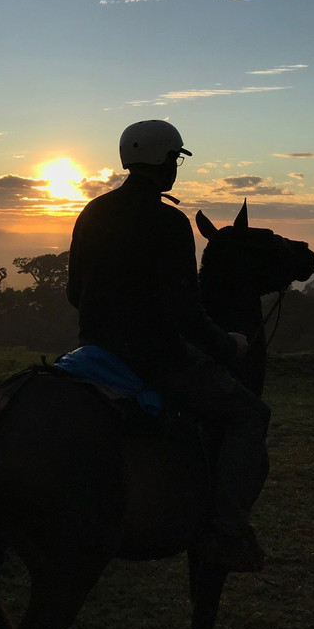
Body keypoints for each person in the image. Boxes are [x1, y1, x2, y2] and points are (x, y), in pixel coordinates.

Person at [66, 120, 269, 572]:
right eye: (176, 159)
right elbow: (184, 311)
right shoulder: (169, 222)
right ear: (163, 160)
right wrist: (227, 344)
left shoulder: (92, 212)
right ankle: (227, 530)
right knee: (249, 416)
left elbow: (75, 293)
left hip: (94, 353)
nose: (176, 167)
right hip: (156, 358)